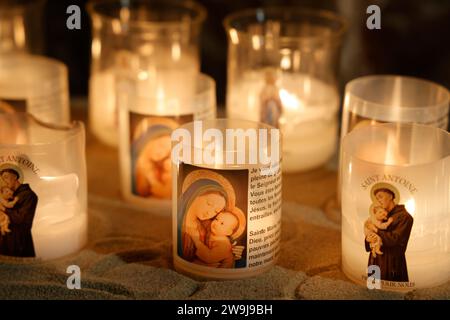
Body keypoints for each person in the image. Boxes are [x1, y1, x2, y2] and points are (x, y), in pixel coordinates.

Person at [365, 187, 413, 282]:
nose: (378, 200)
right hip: (374, 259)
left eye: (380, 197)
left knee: (390, 294)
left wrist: (375, 229)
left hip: (391, 262)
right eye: (377, 198)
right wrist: (368, 239)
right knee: (372, 290)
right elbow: (371, 233)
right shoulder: (380, 215)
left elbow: (395, 239)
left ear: (390, 196)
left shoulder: (404, 217)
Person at [0, 168, 38, 257]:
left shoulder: (28, 195)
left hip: (19, 243)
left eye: (6, 177)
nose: (4, 181)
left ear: (15, 177)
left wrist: (4, 208)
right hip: (5, 241)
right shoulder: (10, 195)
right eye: (2, 179)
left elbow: (20, 218)